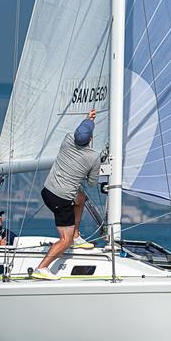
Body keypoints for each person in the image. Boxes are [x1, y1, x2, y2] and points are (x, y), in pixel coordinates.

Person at [33, 109, 100, 280]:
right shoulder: (93, 157)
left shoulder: (68, 139)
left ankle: (76, 236)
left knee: (81, 199)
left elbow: (81, 132)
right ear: (91, 139)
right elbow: (92, 182)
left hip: (48, 191)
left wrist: (88, 119)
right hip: (61, 200)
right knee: (65, 240)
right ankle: (41, 268)